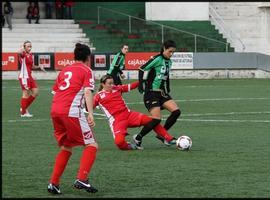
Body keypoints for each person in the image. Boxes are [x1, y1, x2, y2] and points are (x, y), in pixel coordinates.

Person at [48, 43, 98, 195]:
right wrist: (90, 113)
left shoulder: (65, 70)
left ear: (74, 56)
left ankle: (54, 184)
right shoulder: (86, 70)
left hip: (55, 110)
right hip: (71, 111)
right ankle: (82, 178)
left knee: (66, 146)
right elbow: (88, 92)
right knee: (91, 145)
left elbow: (55, 90)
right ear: (88, 58)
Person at [92, 74, 176, 150]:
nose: (112, 85)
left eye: (112, 83)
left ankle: (168, 138)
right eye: (109, 83)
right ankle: (131, 146)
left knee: (154, 120)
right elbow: (89, 107)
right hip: (117, 121)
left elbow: (130, 86)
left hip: (129, 115)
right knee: (119, 143)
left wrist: (141, 81)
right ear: (103, 84)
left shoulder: (117, 88)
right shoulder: (98, 96)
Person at [137, 40, 181, 144]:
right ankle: (138, 137)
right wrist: (140, 84)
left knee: (176, 112)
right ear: (164, 48)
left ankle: (162, 135)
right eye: (170, 51)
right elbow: (141, 69)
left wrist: (168, 87)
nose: (171, 54)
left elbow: (166, 75)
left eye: (173, 52)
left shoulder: (169, 62)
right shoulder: (157, 59)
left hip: (162, 93)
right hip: (151, 93)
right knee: (156, 119)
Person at [18, 40, 46, 117]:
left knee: (35, 92)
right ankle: (23, 113)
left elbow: (32, 66)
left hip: (29, 76)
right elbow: (19, 52)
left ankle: (23, 108)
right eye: (28, 46)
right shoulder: (23, 54)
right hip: (24, 76)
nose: (30, 48)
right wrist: (21, 47)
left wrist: (39, 66)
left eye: (30, 46)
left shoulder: (30, 54)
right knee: (25, 94)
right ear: (24, 47)